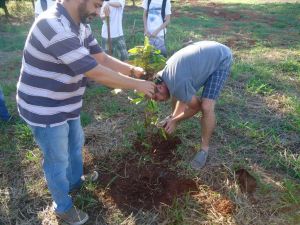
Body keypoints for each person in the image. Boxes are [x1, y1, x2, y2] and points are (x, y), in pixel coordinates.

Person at [16, 0, 155, 224]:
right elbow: (94, 70)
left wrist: (132, 70)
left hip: (67, 101)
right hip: (44, 107)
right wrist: (137, 84)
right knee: (57, 159)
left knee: (75, 143)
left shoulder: (81, 25)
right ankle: (62, 206)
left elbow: (101, 58)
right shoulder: (53, 25)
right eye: (96, 5)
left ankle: (75, 181)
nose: (99, 12)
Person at [153, 41, 233, 170]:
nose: (157, 100)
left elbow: (195, 107)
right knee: (180, 94)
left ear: (160, 87)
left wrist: (176, 120)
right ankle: (171, 118)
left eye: (156, 97)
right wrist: (173, 118)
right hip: (208, 52)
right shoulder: (165, 76)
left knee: (206, 106)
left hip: (221, 58)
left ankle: (204, 150)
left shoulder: (176, 83)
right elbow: (180, 95)